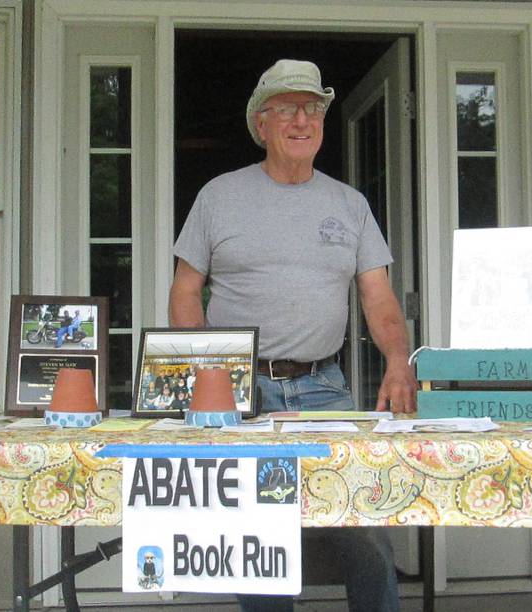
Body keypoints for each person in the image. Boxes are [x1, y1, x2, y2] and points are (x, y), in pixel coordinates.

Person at [168, 59, 417, 612]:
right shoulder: (218, 196)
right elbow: (186, 292)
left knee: (363, 524)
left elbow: (378, 298)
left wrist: (399, 358)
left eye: (313, 108)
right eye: (287, 108)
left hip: (325, 387)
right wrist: (206, 370)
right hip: (243, 389)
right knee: (259, 536)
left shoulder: (350, 204)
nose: (302, 119)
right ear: (262, 124)